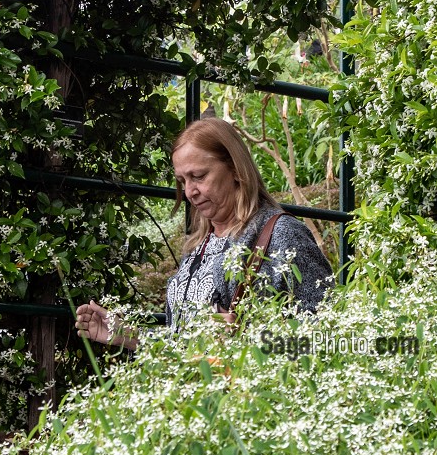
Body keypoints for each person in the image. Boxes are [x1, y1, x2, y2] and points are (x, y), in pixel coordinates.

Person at [75, 119, 333, 353]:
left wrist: (248, 338)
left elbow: (329, 337)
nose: (189, 192)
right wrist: (126, 335)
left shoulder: (283, 235)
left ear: (235, 169)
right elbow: (186, 346)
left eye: (198, 176)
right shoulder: (199, 244)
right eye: (182, 181)